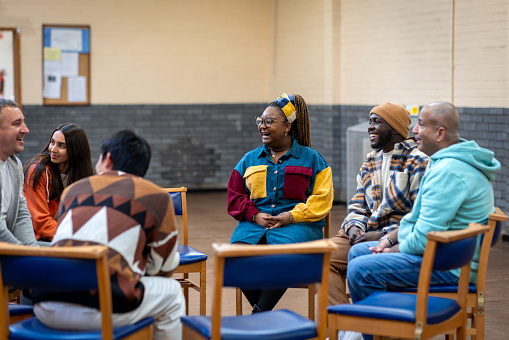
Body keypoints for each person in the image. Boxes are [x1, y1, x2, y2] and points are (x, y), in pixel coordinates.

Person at [346, 102, 500, 339]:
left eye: (421, 124)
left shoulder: (449, 171)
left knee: (361, 270)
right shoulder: (443, 162)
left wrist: (391, 250)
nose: (414, 131)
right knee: (358, 253)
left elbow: (424, 237)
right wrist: (388, 239)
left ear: (440, 133)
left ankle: (378, 330)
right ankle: (379, 329)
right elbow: (416, 219)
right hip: (441, 253)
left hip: (453, 266)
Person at [30, 130, 185, 340]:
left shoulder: (73, 191)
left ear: (108, 158)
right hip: (103, 307)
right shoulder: (156, 196)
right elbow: (164, 268)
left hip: (45, 304)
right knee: (173, 293)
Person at [227, 93, 334, 312]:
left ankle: (259, 316)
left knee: (285, 259)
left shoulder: (312, 159)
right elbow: (234, 196)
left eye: (269, 122)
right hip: (255, 227)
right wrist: (255, 215)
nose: (262, 127)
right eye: (261, 121)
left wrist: (291, 216)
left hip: (298, 227)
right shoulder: (249, 159)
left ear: (287, 127)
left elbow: (322, 200)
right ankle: (262, 317)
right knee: (234, 257)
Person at [328, 102, 428, 306]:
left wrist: (382, 235)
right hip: (362, 233)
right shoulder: (370, 162)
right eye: (370, 121)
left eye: (377, 122)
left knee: (362, 265)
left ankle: (367, 323)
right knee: (320, 259)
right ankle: (344, 327)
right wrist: (355, 227)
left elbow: (419, 215)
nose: (370, 127)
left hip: (394, 239)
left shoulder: (417, 161)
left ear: (395, 128)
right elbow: (357, 205)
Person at [23, 123, 94, 243]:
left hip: (64, 236)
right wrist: (73, 240)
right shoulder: (38, 171)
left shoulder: (81, 175)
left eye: (61, 146)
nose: (53, 149)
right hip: (39, 238)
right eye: (52, 142)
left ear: (75, 150)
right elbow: (40, 221)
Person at [0, 99, 37, 246]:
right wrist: (27, 255)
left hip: (11, 250)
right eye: (17, 124)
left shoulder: (14, 165)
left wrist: (32, 249)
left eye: (23, 122)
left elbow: (21, 215)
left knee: (64, 252)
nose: (25, 129)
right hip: (6, 252)